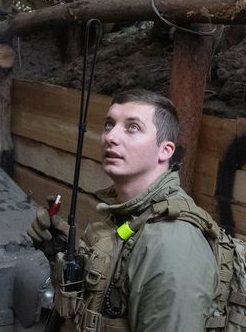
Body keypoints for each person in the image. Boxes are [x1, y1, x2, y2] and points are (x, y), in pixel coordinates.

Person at [28, 89, 218, 331]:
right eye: (109, 125)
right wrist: (66, 256)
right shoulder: (127, 215)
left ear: (165, 151)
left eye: (133, 127)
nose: (111, 137)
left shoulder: (172, 245)